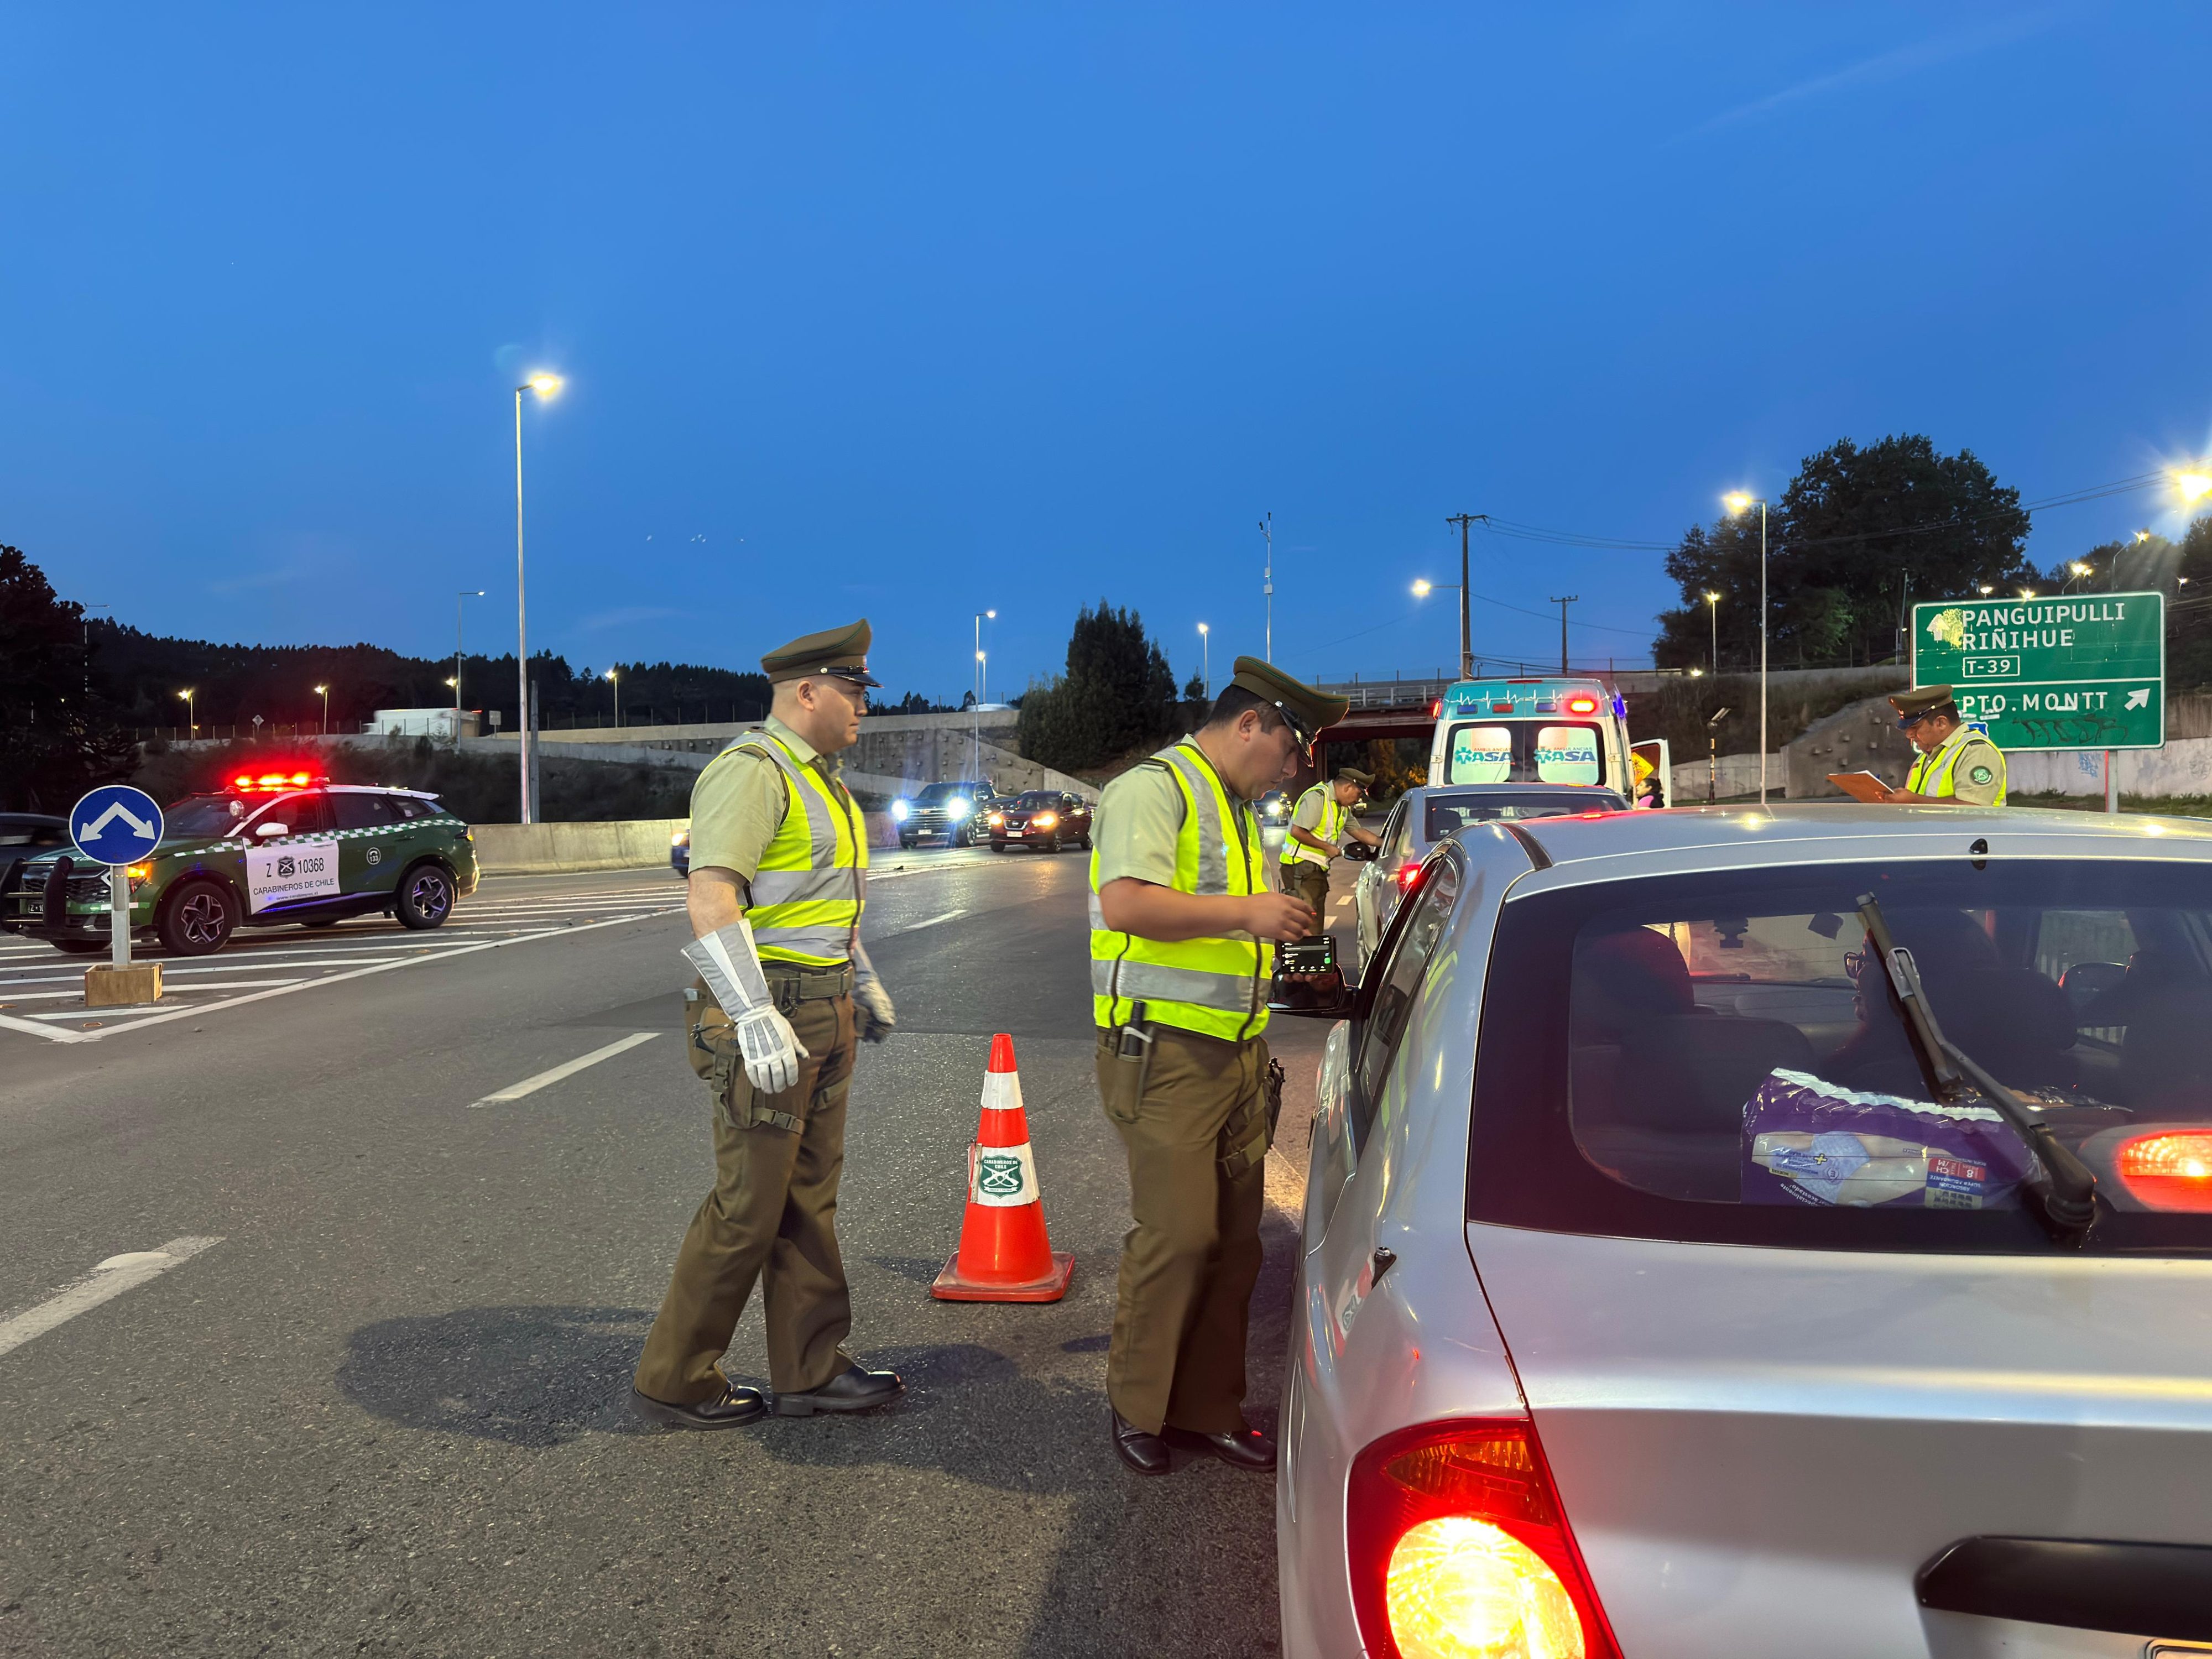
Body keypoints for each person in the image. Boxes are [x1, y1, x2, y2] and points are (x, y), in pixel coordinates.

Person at [631, 620, 904, 1430]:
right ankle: (673, 1376)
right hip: (771, 1005)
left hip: (823, 1002)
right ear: (807, 691)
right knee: (749, 1204)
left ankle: (809, 1369)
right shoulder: (753, 773)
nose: (863, 707)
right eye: (852, 691)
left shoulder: (826, 780)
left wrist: (862, 978)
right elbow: (713, 896)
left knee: (807, 1200)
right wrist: (751, 1010)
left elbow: (825, 905)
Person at [1089, 657, 1347, 1476]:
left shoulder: (1236, 808)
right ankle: (1139, 1407)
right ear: (1251, 724)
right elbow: (1125, 902)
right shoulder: (1154, 789)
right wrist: (1248, 912)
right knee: (1177, 1235)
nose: (1296, 767)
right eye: (1292, 747)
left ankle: (1206, 1409)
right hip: (1164, 1052)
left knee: (1236, 1243)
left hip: (1236, 1053)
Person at [1875, 685, 2008, 805]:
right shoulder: (1929, 755)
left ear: (1941, 723)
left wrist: (1913, 801)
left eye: (1915, 728)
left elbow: (1973, 808)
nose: (1909, 735)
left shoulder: (1976, 751)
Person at [1277, 764, 1380, 915]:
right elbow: (1297, 831)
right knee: (1306, 923)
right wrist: (1327, 847)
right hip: (1300, 868)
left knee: (1312, 923)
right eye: (1358, 794)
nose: (1358, 800)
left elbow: (1359, 832)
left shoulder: (1342, 808)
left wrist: (1387, 843)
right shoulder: (1318, 797)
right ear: (1347, 788)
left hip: (1315, 870)